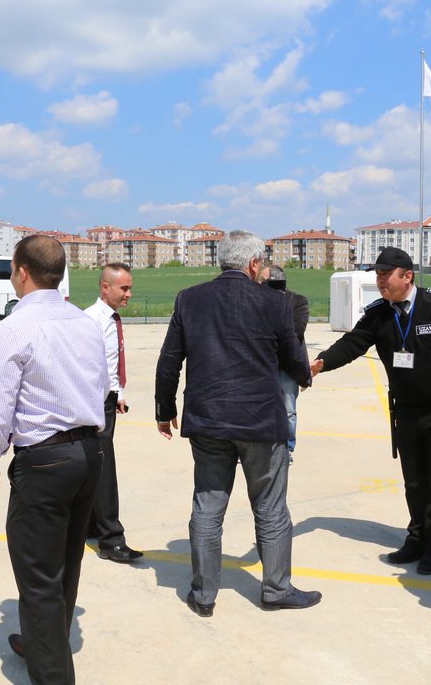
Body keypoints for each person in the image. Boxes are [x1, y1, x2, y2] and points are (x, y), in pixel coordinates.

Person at [155, 230, 317, 617]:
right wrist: (305, 376)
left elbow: (169, 358)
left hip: (208, 421)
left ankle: (204, 594)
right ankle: (276, 590)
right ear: (253, 263)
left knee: (207, 506)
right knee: (271, 508)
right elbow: (293, 357)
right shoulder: (275, 302)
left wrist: (164, 409)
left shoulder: (190, 299)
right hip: (261, 421)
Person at [0, 236, 108, 685]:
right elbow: (100, 388)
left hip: (46, 461)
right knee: (66, 562)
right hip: (89, 453)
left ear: (22, 271)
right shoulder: (84, 323)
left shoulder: (15, 327)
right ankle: (39, 641)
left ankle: (51, 674)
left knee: (38, 573)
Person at [311, 247, 431, 575]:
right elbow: (353, 343)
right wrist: (322, 363)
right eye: (377, 274)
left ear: (407, 276)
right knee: (414, 482)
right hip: (406, 410)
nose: (380, 281)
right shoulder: (378, 313)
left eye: (385, 274)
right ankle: (416, 539)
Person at [84, 262, 144, 563]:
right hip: (93, 402)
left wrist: (118, 393)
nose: (129, 294)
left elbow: (110, 362)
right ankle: (111, 540)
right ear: (105, 288)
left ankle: (91, 526)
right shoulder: (90, 320)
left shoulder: (112, 319)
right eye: (124, 288)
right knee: (105, 468)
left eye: (130, 288)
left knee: (96, 464)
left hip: (107, 399)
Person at [260, 264, 310, 463]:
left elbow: (297, 330)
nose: (260, 285)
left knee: (288, 410)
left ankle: (287, 449)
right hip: (263, 364)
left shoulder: (297, 301)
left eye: (263, 281)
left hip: (287, 366)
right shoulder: (257, 301)